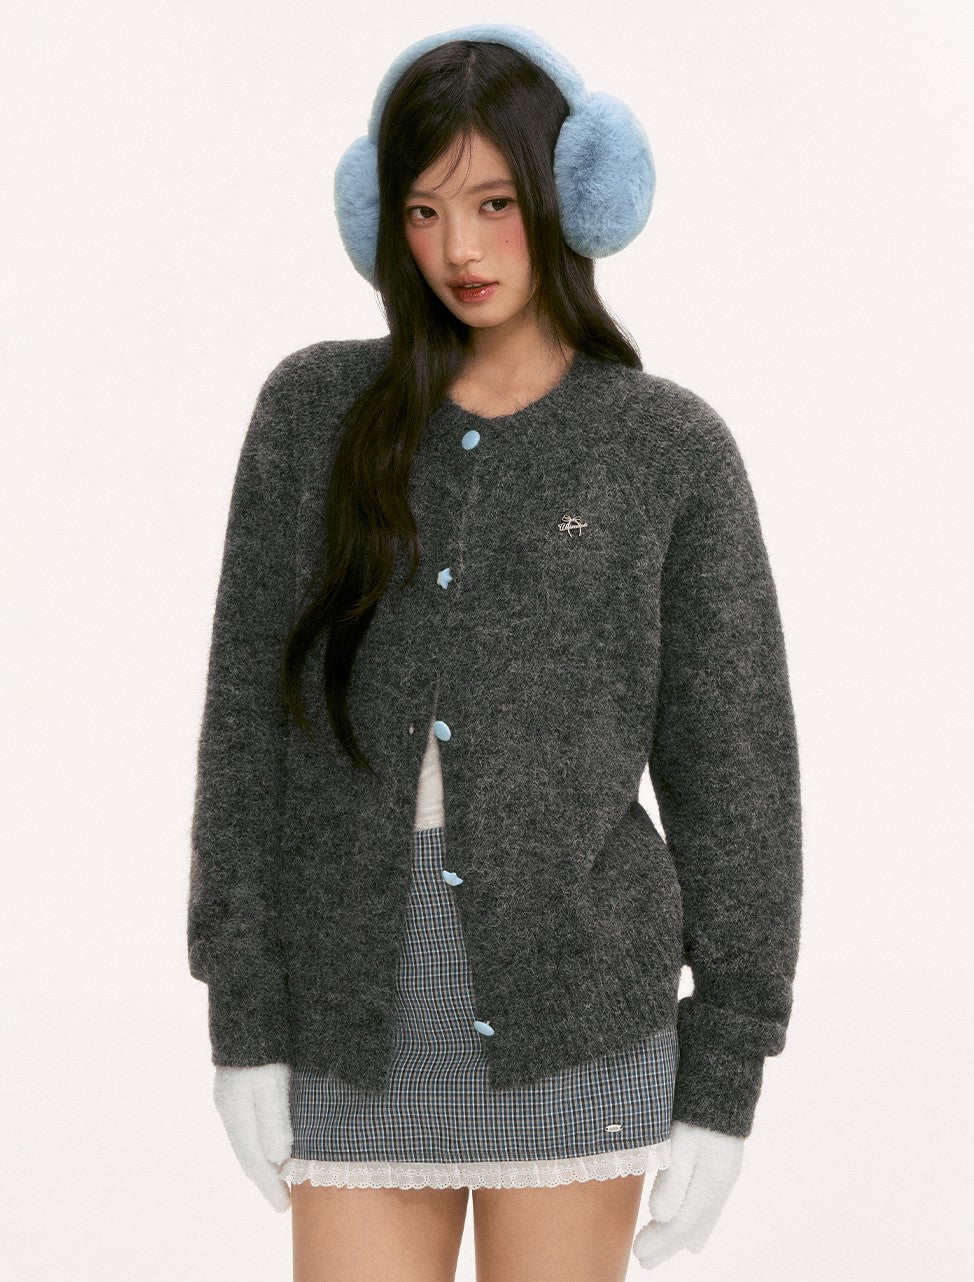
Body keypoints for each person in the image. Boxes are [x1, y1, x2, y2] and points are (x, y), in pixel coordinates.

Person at [187, 22, 803, 1281]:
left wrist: (725, 1067)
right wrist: (242, 1011)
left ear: (572, 196)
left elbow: (733, 775)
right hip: (348, 1020)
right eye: (421, 211)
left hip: (580, 1024)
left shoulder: (662, 448)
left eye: (492, 203)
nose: (458, 250)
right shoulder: (310, 414)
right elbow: (245, 728)